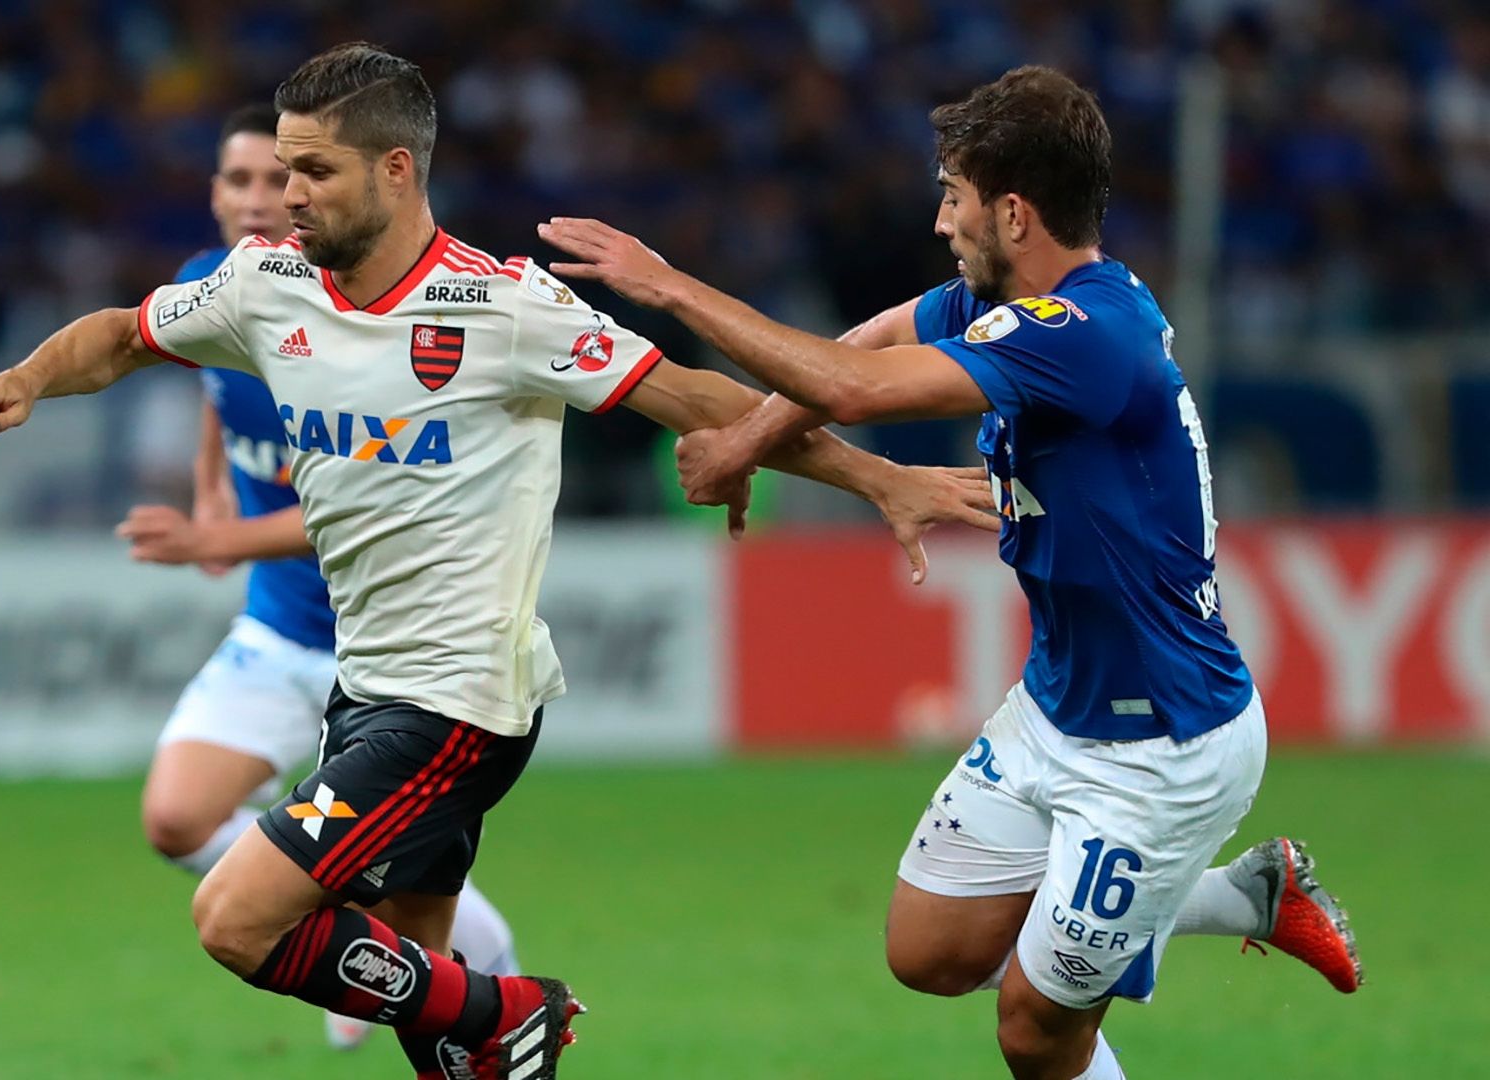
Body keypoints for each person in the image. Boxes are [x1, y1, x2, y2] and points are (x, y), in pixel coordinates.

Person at [0, 44, 993, 1079]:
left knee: (237, 919)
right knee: (430, 1013)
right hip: (367, 684)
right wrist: (25, 376)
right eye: (282, 170)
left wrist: (876, 478)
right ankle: (487, 1036)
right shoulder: (263, 286)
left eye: (315, 172)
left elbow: (698, 397)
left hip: (459, 701)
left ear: (395, 170)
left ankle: (512, 1009)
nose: (288, 197)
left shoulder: (502, 309)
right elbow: (123, 337)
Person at [539, 65, 1361, 1080]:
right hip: (1055, 707)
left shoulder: (1085, 338)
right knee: (929, 952)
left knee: (1035, 1028)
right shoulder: (1019, 303)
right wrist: (750, 440)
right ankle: (1250, 896)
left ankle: (1164, 921)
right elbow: (876, 338)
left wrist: (669, 287)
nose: (940, 221)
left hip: (1162, 749)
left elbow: (849, 384)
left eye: (953, 196)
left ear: (1013, 214)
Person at [114, 103, 519, 1054]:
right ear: (215, 195)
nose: (263, 198)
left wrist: (216, 537)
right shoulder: (207, 289)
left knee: (361, 875)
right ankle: (365, 928)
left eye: (283, 178)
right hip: (283, 628)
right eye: (241, 180)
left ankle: (435, 955)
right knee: (175, 816)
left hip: (393, 655)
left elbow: (355, 504)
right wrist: (214, 489)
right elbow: (217, 385)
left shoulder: (358, 315)